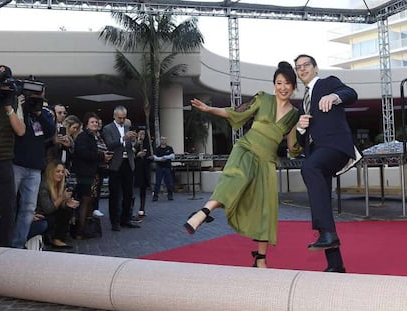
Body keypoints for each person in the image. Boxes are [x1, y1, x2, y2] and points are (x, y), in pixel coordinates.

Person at [184, 62, 301, 268]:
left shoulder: (294, 115)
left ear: (293, 86)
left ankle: (260, 258)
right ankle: (203, 213)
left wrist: (302, 132)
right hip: (246, 149)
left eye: (287, 83)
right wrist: (209, 108)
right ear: (274, 84)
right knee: (235, 179)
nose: (283, 87)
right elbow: (236, 112)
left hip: (267, 162)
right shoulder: (263, 98)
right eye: (279, 83)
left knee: (266, 209)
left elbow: (292, 147)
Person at [294, 54, 358, 273]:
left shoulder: (327, 83)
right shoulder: (303, 102)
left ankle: (327, 235)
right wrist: (301, 129)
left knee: (309, 168)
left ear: (315, 68)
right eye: (298, 67)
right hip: (318, 152)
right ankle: (335, 264)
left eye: (305, 65)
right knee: (323, 203)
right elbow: (302, 142)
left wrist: (334, 96)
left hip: (335, 146)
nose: (302, 70)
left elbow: (351, 94)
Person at [11, 85, 56, 248]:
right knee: (7, 206)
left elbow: (51, 132)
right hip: (16, 164)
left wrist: (38, 112)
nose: (36, 98)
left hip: (35, 168)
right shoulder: (18, 107)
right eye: (34, 94)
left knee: (28, 209)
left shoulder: (43, 113)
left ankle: (17, 244)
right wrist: (19, 106)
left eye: (40, 95)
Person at [0, 65, 26, 247]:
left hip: (4, 161)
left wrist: (8, 107)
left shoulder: (12, 101)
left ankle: (5, 248)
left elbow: (21, 131)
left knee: (7, 207)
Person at [71, 112, 111, 239]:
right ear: (86, 124)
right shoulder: (83, 137)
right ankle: (80, 230)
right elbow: (83, 153)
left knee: (89, 201)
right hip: (84, 173)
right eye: (92, 122)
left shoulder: (93, 137)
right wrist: (101, 156)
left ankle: (84, 229)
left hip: (92, 173)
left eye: (96, 122)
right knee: (85, 200)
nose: (95, 124)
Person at [102, 105, 140, 231]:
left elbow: (131, 146)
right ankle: (114, 221)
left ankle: (126, 219)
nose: (122, 120)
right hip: (115, 164)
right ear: (114, 116)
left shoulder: (128, 127)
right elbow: (109, 144)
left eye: (124, 118)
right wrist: (123, 138)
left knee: (128, 193)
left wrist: (134, 140)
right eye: (120, 118)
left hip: (128, 162)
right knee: (115, 194)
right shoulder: (108, 128)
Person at [34, 160, 79, 248]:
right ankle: (54, 238)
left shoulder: (60, 185)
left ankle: (57, 238)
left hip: (52, 214)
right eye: (57, 171)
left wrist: (67, 202)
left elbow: (59, 206)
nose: (61, 174)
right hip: (41, 215)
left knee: (68, 209)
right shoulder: (44, 186)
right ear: (51, 172)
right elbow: (48, 209)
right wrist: (62, 198)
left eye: (62, 172)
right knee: (62, 213)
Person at [134, 127, 152, 218]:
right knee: (132, 190)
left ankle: (142, 208)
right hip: (135, 169)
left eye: (144, 134)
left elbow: (149, 154)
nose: (142, 136)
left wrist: (149, 157)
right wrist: (137, 155)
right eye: (141, 133)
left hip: (144, 169)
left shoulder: (146, 144)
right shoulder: (134, 143)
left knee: (143, 189)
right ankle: (130, 209)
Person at [152, 136, 175, 201]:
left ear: (166, 141)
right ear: (160, 141)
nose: (163, 140)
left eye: (164, 139)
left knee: (169, 182)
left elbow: (173, 156)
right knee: (157, 183)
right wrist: (160, 159)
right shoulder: (157, 149)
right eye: (162, 139)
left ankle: (170, 195)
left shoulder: (169, 148)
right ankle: (155, 196)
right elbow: (154, 157)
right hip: (159, 168)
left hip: (167, 167)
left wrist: (165, 157)